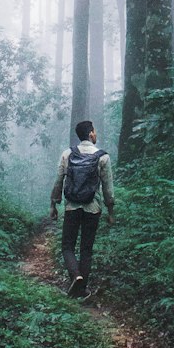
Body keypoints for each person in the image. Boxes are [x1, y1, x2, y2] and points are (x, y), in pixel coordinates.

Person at [50, 119, 115, 298]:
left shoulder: (67, 154)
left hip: (72, 207)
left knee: (67, 246)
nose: (96, 134)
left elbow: (58, 182)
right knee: (86, 249)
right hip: (92, 208)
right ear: (91, 134)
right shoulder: (103, 157)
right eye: (94, 131)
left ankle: (75, 276)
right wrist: (110, 212)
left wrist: (53, 204)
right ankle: (82, 288)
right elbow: (108, 187)